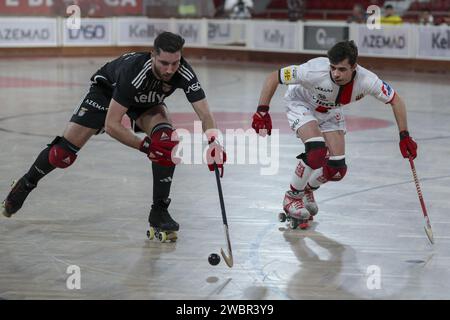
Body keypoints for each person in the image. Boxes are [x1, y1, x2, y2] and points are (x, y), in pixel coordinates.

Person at [2, 32, 226, 236]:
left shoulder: (184, 71)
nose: (169, 70)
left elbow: (205, 114)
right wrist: (145, 147)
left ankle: (159, 212)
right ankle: (27, 183)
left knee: (166, 143)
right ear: (152, 56)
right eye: (164, 63)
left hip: (145, 102)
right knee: (62, 154)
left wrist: (214, 142)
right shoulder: (134, 72)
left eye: (175, 63)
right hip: (107, 94)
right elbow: (112, 125)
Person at [251, 40, 417, 229]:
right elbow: (274, 77)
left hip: (331, 110)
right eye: (333, 68)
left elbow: (396, 101)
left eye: (342, 69)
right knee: (316, 151)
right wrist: (262, 111)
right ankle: (291, 197)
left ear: (354, 67)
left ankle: (307, 189)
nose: (336, 73)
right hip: (301, 103)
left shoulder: (367, 81)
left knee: (337, 170)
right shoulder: (313, 70)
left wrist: (404, 135)